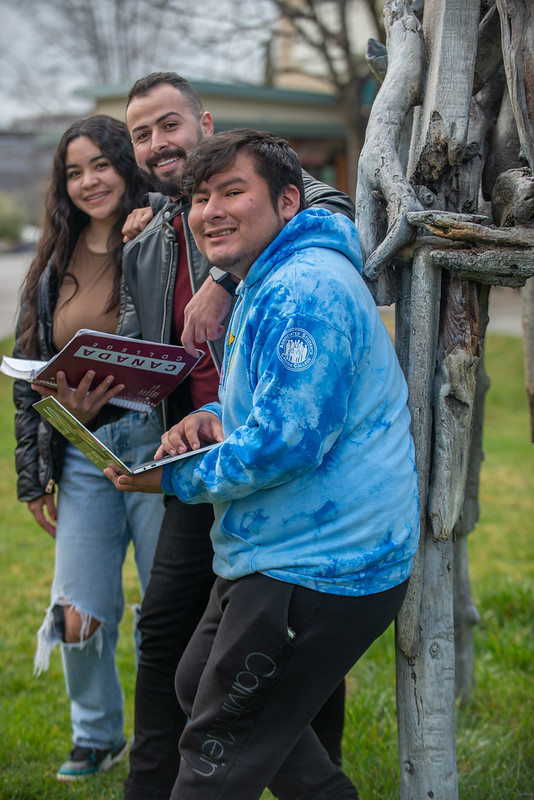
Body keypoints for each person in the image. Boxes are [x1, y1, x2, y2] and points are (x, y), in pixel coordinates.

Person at [105, 128, 420, 799]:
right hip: (280, 545)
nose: (210, 209)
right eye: (198, 197)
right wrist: (214, 417)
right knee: (197, 685)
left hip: (322, 563)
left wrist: (173, 478)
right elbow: (280, 411)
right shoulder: (269, 274)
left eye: (231, 191)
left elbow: (288, 443)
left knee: (218, 755)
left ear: (285, 201)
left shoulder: (304, 290)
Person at [12, 115, 166, 781]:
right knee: (76, 610)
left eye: (100, 164)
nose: (88, 181)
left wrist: (155, 210)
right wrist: (31, 476)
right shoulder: (52, 261)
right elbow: (27, 368)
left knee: (166, 605)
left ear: (125, 164)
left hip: (158, 445)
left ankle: (172, 735)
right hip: (81, 451)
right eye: (74, 171)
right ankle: (98, 736)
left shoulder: (161, 230)